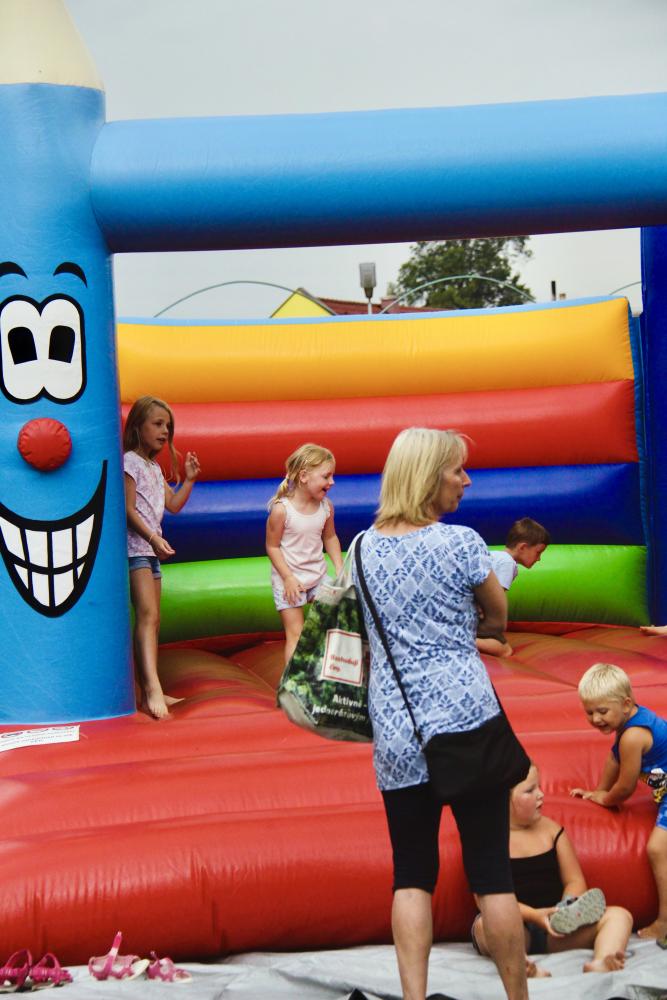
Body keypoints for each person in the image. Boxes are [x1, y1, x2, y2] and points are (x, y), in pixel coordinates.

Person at [351, 427, 528, 1000]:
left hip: (399, 729)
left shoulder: (360, 547)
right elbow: (498, 620)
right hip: (466, 721)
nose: (466, 480)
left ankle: (414, 996)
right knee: (492, 874)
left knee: (411, 874)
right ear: (430, 476)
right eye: (458, 470)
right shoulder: (462, 543)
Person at [472, 763, 632, 975]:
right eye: (530, 790)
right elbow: (485, 899)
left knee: (619, 916)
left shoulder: (552, 831)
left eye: (539, 786)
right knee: (485, 925)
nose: (541, 794)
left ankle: (603, 960)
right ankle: (521, 966)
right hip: (515, 927)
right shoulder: (488, 841)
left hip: (555, 929)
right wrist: (534, 915)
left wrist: (565, 907)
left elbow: (574, 880)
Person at [570, 661, 667, 939]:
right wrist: (597, 790)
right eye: (589, 712)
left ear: (626, 704)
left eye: (602, 711)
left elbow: (625, 788)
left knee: (657, 849)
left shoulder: (633, 735)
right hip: (663, 783)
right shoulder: (628, 722)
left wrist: (606, 799)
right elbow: (614, 759)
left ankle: (664, 921)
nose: (595, 719)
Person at [123, 395, 200, 720]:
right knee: (147, 616)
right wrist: (153, 538)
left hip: (150, 551)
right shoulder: (129, 462)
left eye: (168, 426)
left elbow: (174, 505)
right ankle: (152, 689)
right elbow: (127, 510)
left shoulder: (153, 467)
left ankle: (150, 687)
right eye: (157, 424)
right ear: (138, 427)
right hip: (136, 549)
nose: (165, 431)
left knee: (154, 620)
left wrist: (190, 480)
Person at [266, 443, 343, 664]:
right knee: (296, 634)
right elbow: (272, 547)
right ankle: (293, 681)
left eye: (332, 476)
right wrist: (288, 578)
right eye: (326, 476)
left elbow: (330, 537)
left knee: (335, 616)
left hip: (317, 576)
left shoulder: (326, 507)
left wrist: (340, 568)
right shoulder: (282, 510)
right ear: (304, 476)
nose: (332, 482)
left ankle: (323, 666)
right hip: (289, 579)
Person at [477, 517, 550, 659]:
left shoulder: (494, 555)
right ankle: (461, 640)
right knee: (504, 650)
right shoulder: (508, 563)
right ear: (522, 547)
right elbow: (494, 600)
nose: (539, 559)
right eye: (538, 552)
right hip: (470, 616)